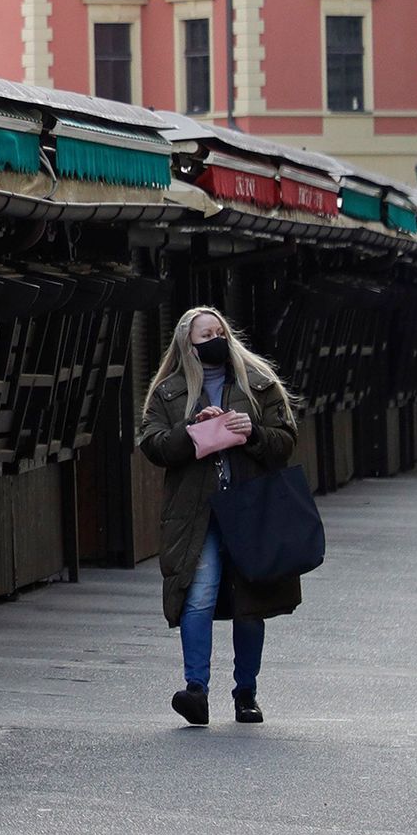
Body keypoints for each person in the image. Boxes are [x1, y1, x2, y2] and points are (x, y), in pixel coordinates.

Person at [136, 307, 300, 726]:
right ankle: (196, 691)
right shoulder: (169, 393)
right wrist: (192, 429)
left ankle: (246, 693)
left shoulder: (257, 381)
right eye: (205, 334)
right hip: (198, 511)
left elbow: (286, 440)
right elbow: (152, 445)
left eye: (219, 331)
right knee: (199, 593)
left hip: (248, 506)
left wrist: (254, 432)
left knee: (251, 599)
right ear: (187, 345)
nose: (215, 338)